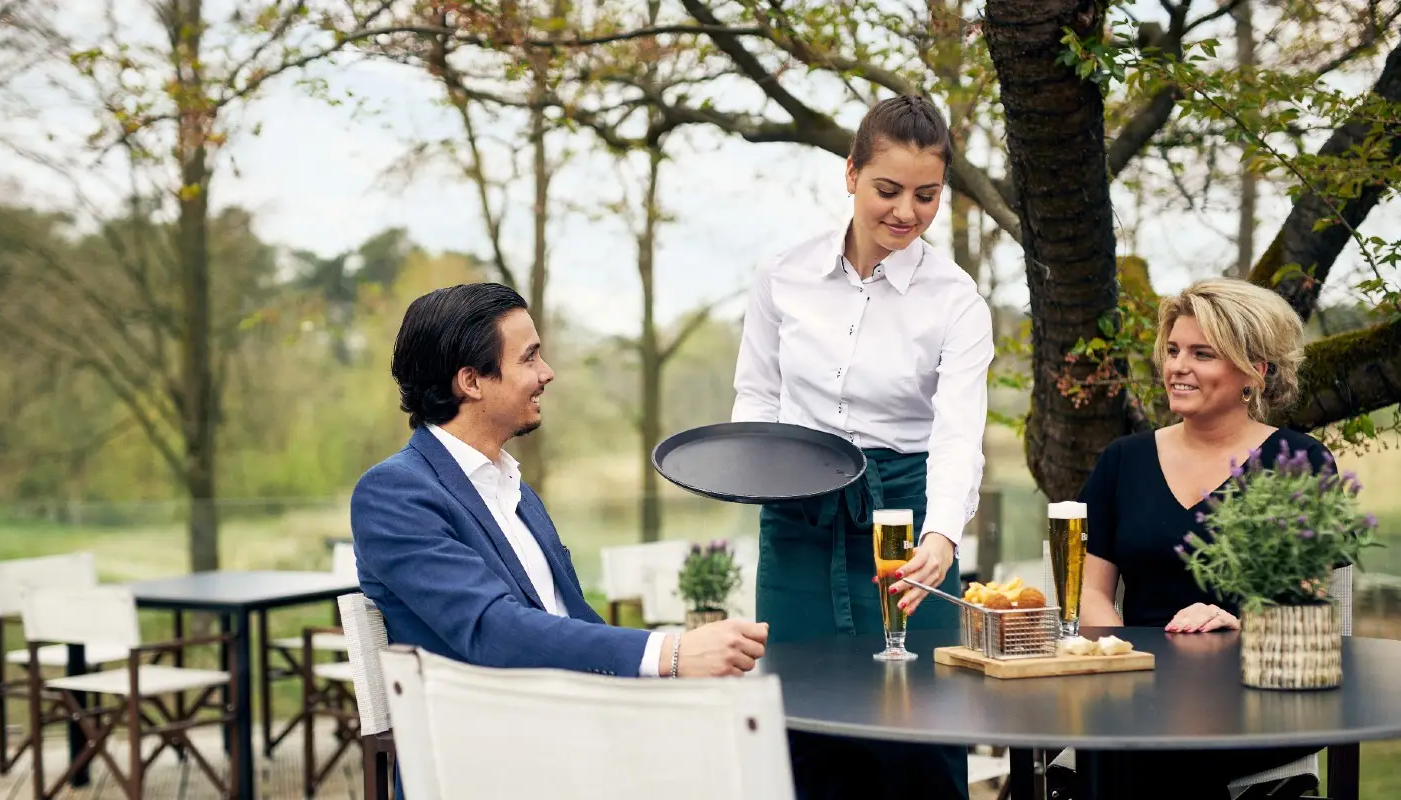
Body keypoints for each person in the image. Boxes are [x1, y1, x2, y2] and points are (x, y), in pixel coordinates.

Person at [731, 94, 993, 799]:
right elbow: (756, 397)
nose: (906, 211)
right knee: (800, 725)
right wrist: (755, 473)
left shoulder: (957, 300)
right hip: (799, 515)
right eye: (888, 189)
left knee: (922, 729)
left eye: (927, 195)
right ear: (851, 174)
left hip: (907, 519)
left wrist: (941, 536)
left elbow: (958, 431)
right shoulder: (781, 275)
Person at [351, 282, 770, 685]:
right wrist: (670, 654)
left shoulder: (515, 490)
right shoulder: (395, 494)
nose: (546, 373)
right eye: (529, 358)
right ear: (472, 382)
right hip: (484, 746)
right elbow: (491, 630)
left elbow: (573, 618)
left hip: (574, 719)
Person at [1053, 278, 1329, 799]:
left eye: (1202, 354)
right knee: (1115, 748)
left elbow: (1307, 604)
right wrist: (1118, 655)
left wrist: (1239, 622)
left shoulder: (1300, 462)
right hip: (1133, 695)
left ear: (1255, 372)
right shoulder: (1122, 461)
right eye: (1174, 350)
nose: (1178, 366)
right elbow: (1091, 592)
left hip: (1249, 700)